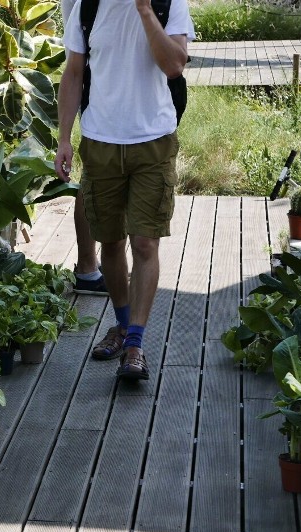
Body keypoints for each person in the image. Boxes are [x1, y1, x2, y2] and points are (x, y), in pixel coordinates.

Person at [53, 0, 194, 380]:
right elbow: (74, 73)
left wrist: (146, 11)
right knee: (111, 243)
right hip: (100, 142)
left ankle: (135, 343)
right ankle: (121, 322)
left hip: (153, 141)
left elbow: (174, 64)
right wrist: (64, 138)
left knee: (145, 243)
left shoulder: (167, 4)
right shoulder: (87, 7)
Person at [60, 0, 108, 297]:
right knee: (94, 175)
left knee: (102, 174)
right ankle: (88, 267)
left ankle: (98, 263)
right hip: (93, 74)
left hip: (97, 70)